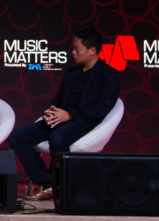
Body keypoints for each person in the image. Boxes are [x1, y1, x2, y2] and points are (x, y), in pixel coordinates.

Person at [8, 28, 120, 201]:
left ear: (92, 50)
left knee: (58, 138)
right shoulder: (71, 74)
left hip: (85, 121)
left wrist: (70, 115)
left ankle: (59, 184)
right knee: (17, 137)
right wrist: (51, 111)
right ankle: (47, 182)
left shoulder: (109, 74)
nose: (73, 52)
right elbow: (58, 99)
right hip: (60, 119)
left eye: (77, 49)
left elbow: (103, 107)